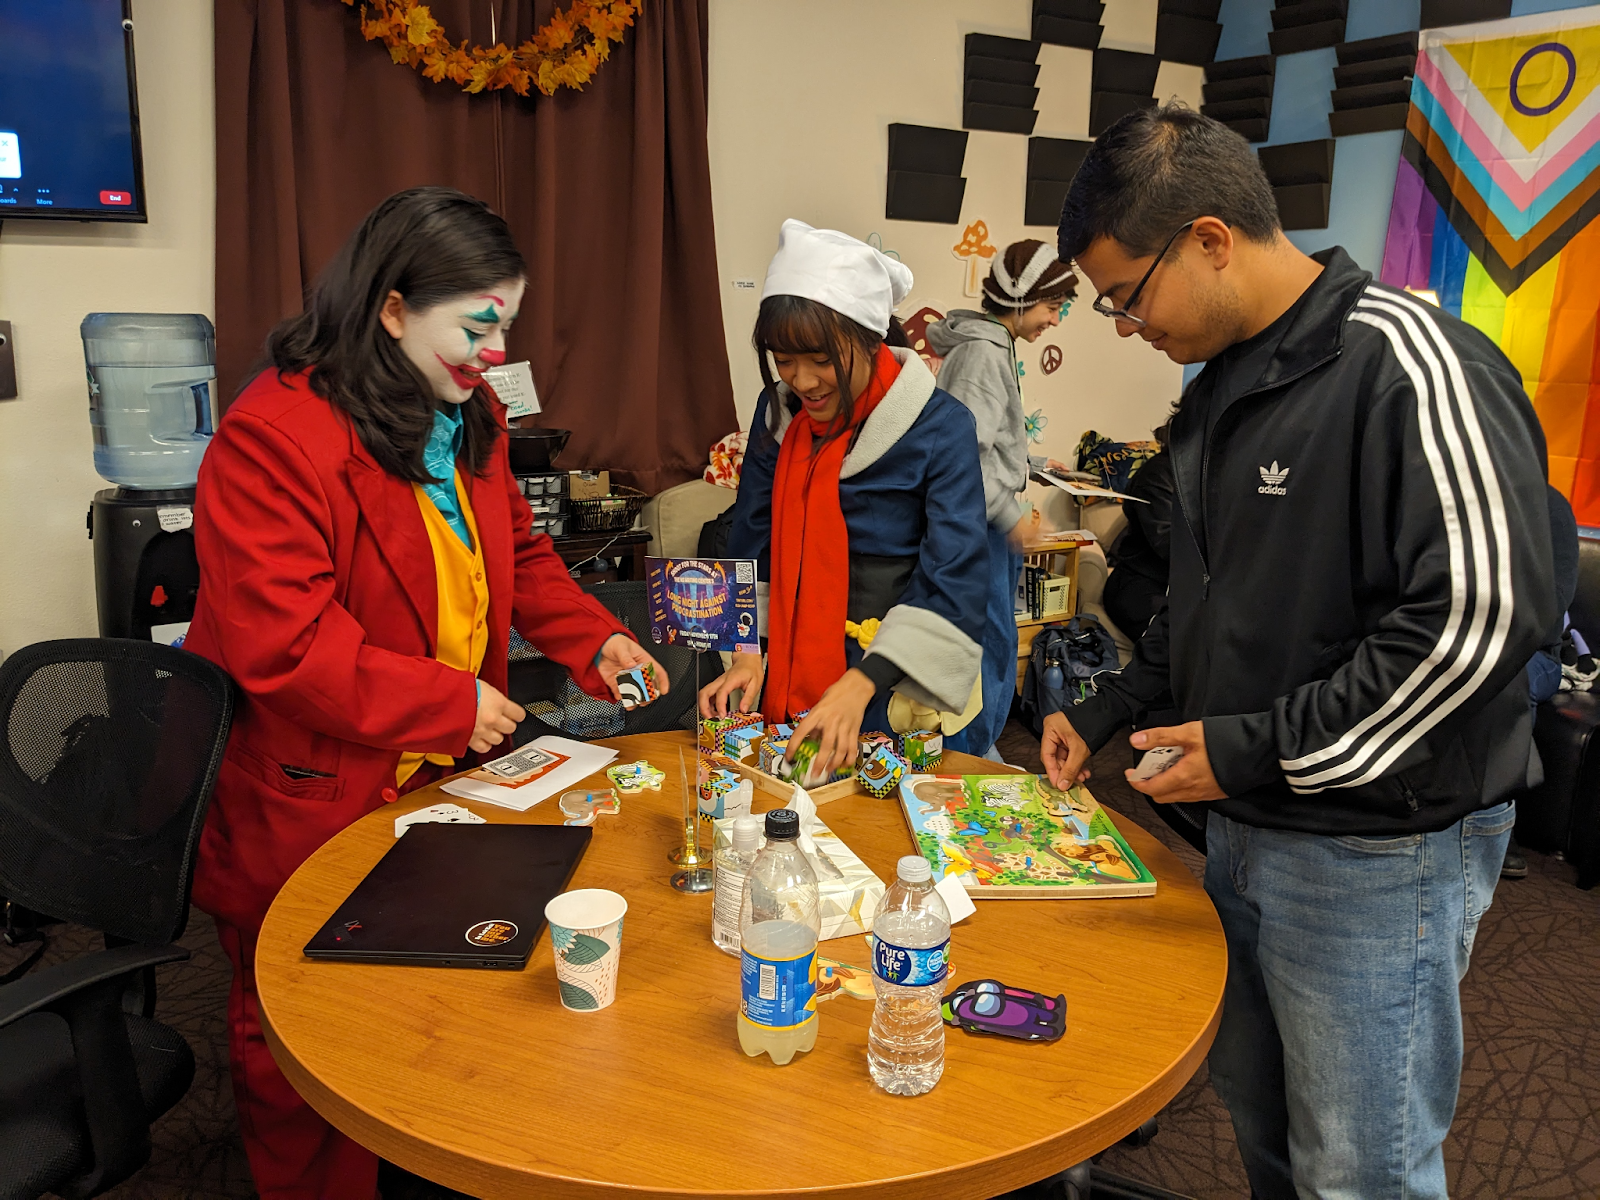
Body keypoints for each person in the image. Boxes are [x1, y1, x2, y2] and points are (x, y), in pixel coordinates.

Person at [1042, 105, 1556, 1199]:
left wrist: (1252, 748)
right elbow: (1205, 597)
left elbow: (1478, 619)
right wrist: (1105, 710)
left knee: (1358, 1171)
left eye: (1128, 296)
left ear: (1212, 239)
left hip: (1379, 850)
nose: (1125, 327)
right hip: (1247, 822)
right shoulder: (1217, 388)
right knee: (1269, 1129)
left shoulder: (1408, 363)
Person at [184, 187, 667, 1200]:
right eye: (478, 325)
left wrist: (598, 640)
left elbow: (521, 559)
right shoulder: (271, 435)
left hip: (439, 776)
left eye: (507, 327)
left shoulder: (471, 409)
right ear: (392, 309)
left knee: (449, 1017)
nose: (495, 353)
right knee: (305, 1045)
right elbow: (287, 640)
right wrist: (448, 705)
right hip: (316, 787)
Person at [698, 219, 988, 774]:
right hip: (782, 657)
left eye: (820, 359)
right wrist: (745, 653)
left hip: (889, 672)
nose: (802, 381)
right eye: (784, 360)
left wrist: (860, 685)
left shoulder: (939, 427)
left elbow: (954, 574)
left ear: (868, 338)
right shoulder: (778, 414)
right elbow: (750, 542)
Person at [926, 241, 1078, 754]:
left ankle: (976, 744)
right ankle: (971, 752)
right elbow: (963, 457)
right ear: (1019, 298)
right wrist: (1011, 516)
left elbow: (981, 439)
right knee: (989, 641)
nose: (1055, 320)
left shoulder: (986, 344)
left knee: (992, 637)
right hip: (980, 528)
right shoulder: (984, 354)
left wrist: (1029, 464)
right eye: (1052, 307)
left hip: (981, 524)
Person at [1101, 423, 1173, 638]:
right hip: (1142, 585)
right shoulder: (1158, 474)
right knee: (1180, 645)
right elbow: (1168, 543)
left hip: (1184, 590)